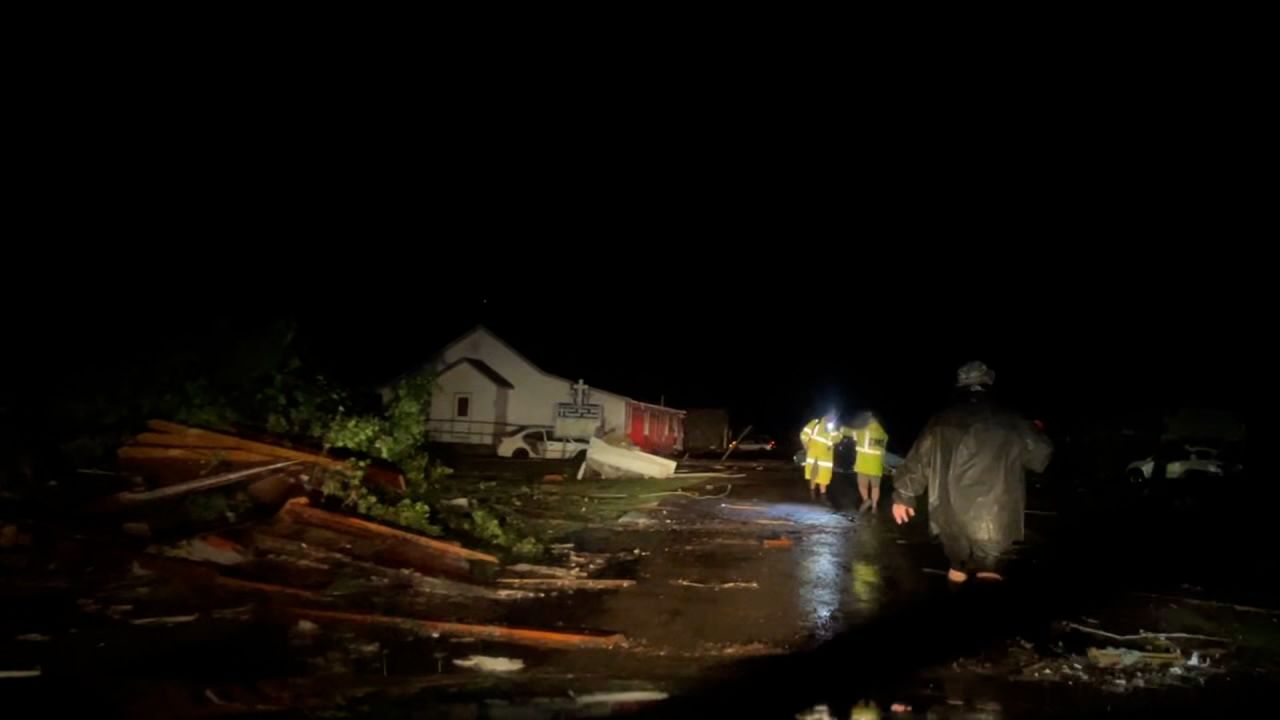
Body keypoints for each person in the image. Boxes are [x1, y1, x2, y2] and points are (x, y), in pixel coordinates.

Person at [891, 362, 1052, 582]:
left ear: (960, 385)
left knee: (957, 565)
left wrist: (904, 496)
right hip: (995, 512)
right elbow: (1040, 459)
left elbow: (919, 458)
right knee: (989, 567)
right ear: (989, 383)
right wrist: (1036, 430)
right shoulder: (1011, 420)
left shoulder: (942, 419)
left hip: (948, 512)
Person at [848, 411, 889, 513]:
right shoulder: (884, 434)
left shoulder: (863, 431)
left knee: (862, 485)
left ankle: (866, 500)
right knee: (875, 487)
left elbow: (850, 433)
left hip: (863, 464)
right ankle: (874, 507)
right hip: (876, 466)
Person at [800, 411, 842, 501]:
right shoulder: (815, 423)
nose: (831, 418)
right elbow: (804, 434)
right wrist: (805, 444)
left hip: (826, 458)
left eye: (833, 417)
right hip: (814, 456)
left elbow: (838, 438)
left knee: (824, 477)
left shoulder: (832, 428)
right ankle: (812, 496)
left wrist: (832, 430)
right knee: (813, 476)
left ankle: (823, 497)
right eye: (830, 416)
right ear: (825, 415)